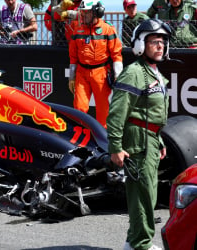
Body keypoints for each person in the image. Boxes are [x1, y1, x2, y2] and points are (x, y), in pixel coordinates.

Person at [107, 19, 171, 250]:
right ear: (140, 44)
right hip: (137, 139)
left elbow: (151, 112)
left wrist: (160, 139)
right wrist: (115, 146)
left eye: (163, 42)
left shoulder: (154, 73)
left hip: (151, 139)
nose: (160, 46)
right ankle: (141, 244)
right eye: (154, 41)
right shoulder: (133, 73)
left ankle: (132, 241)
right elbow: (117, 113)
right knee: (142, 194)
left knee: (148, 193)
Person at [68, 0, 123, 128]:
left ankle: (103, 141)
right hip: (82, 73)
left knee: (103, 111)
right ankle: (80, 138)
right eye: (82, 12)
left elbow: (117, 55)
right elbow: (73, 56)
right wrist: (72, 77)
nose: (82, 15)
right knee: (79, 108)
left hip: (101, 73)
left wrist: (118, 77)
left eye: (86, 12)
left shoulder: (107, 29)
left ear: (95, 13)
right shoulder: (78, 30)